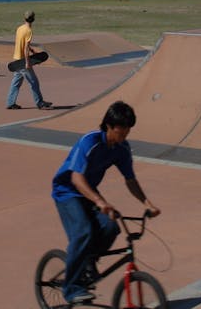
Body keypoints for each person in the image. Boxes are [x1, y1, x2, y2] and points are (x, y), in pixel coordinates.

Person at [51, 100, 161, 304]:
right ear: (108, 126)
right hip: (66, 192)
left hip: (89, 194)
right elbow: (77, 178)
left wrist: (147, 203)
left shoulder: (121, 148)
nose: (124, 137)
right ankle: (71, 288)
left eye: (127, 132)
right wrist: (101, 202)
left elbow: (130, 179)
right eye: (121, 132)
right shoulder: (90, 142)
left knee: (111, 227)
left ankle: (87, 260)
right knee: (84, 232)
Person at [5, 10, 52, 110]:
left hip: (16, 59)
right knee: (34, 82)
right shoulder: (29, 31)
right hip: (23, 61)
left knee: (16, 82)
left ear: (24, 18)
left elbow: (21, 43)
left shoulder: (19, 28)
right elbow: (25, 47)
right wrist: (27, 62)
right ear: (33, 19)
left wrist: (31, 50)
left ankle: (10, 102)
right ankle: (39, 102)